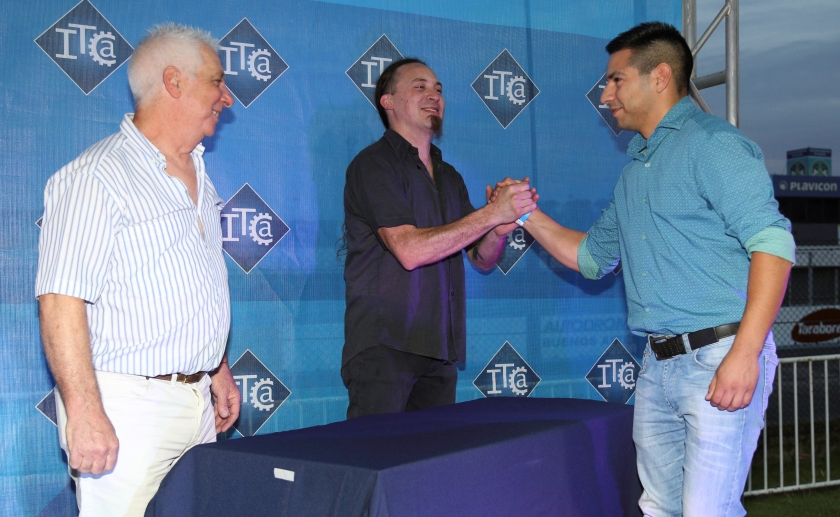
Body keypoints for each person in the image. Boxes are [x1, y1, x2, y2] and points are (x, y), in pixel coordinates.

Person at [500, 22, 794, 516]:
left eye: (615, 80)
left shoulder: (714, 145)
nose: (605, 95)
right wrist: (523, 214)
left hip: (722, 354)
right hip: (658, 367)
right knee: (659, 508)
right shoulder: (634, 172)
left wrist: (745, 354)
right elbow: (592, 257)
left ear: (659, 77)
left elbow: (773, 244)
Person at [36, 23, 240, 516]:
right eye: (216, 82)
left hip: (197, 404)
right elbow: (60, 299)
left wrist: (216, 369)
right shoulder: (97, 177)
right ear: (174, 82)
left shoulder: (199, 174)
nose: (228, 98)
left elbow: (189, 284)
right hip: (127, 408)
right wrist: (84, 412)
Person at [342, 58, 536, 419]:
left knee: (431, 456)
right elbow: (409, 250)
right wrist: (492, 214)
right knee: (375, 453)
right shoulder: (373, 165)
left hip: (440, 349)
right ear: (388, 101)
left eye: (439, 89)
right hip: (385, 347)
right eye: (420, 87)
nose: (434, 95)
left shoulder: (450, 177)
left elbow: (481, 258)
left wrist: (497, 229)